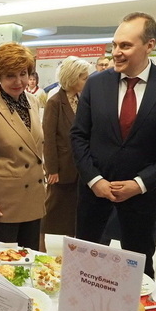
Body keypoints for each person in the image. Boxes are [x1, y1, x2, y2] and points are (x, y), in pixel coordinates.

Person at [71, 12, 156, 279]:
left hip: (141, 199)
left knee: (138, 270)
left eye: (125, 46)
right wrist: (95, 180)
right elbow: (78, 136)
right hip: (94, 196)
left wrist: (139, 183)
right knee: (85, 267)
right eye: (114, 45)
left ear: (150, 45)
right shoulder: (95, 84)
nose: (116, 52)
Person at [0, 42, 46, 257]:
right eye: (10, 75)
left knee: (29, 262)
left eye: (23, 74)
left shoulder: (33, 101)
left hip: (32, 198)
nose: (18, 81)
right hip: (2, 205)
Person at [41, 57, 91, 243]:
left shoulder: (80, 99)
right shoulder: (55, 102)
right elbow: (49, 138)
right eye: (83, 78)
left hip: (78, 166)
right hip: (61, 166)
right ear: (71, 78)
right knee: (52, 205)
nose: (87, 81)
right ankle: (40, 239)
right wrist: (52, 169)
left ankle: (72, 241)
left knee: (73, 207)